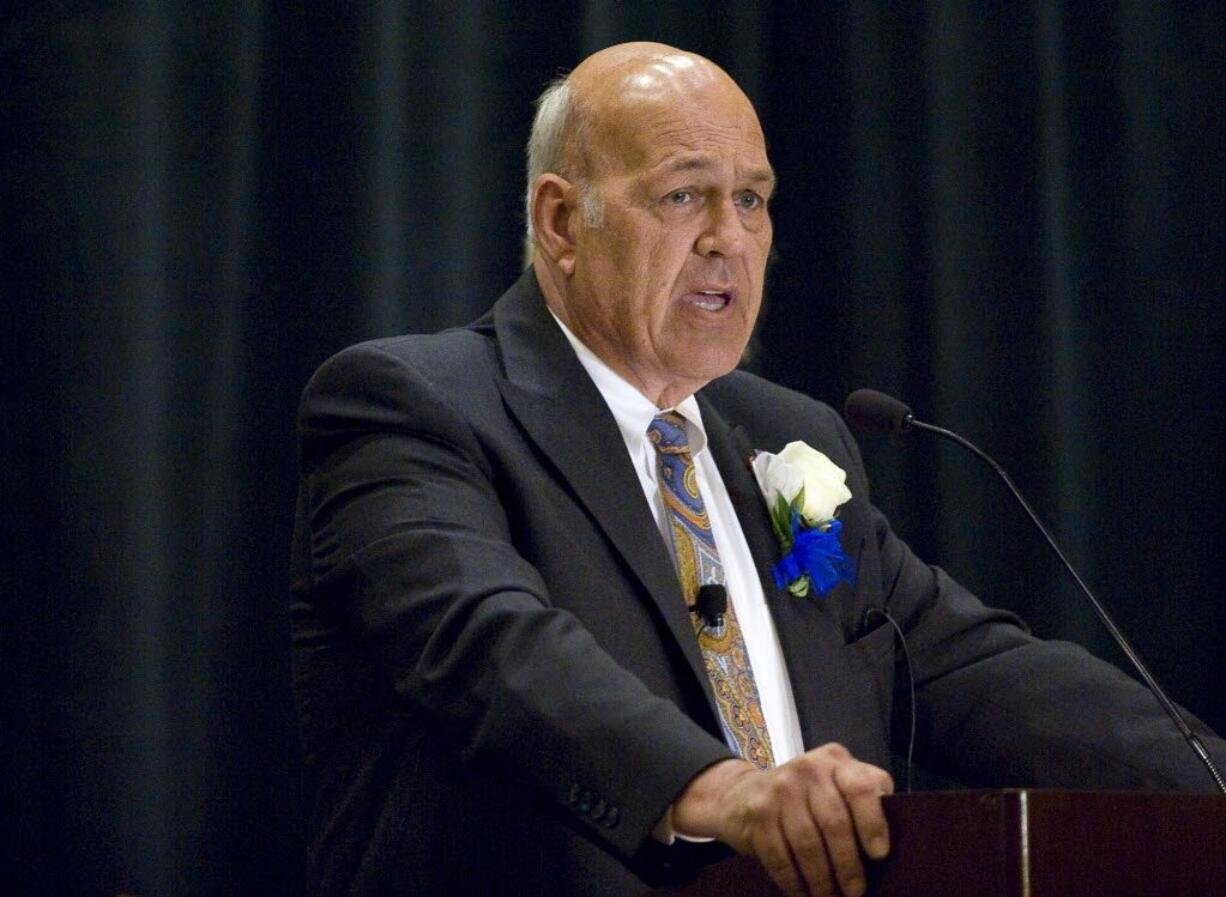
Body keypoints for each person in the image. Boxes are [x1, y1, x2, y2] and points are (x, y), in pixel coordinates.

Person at [290, 42, 1224, 897]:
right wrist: (729, 790)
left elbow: (967, 662)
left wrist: (1211, 779)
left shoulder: (783, 436)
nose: (729, 239)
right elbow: (493, 650)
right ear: (563, 221)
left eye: (752, 199)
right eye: (683, 195)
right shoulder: (412, 406)